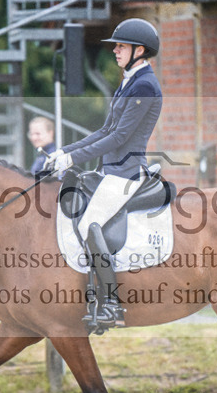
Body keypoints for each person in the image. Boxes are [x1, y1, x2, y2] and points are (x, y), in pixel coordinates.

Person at [44, 18, 163, 332]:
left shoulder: (146, 85)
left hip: (126, 173)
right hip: (110, 170)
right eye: (116, 46)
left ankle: (111, 304)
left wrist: (72, 157)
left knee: (90, 224)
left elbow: (120, 138)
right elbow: (105, 130)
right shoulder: (129, 81)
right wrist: (65, 152)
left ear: (140, 50)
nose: (116, 51)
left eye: (121, 46)